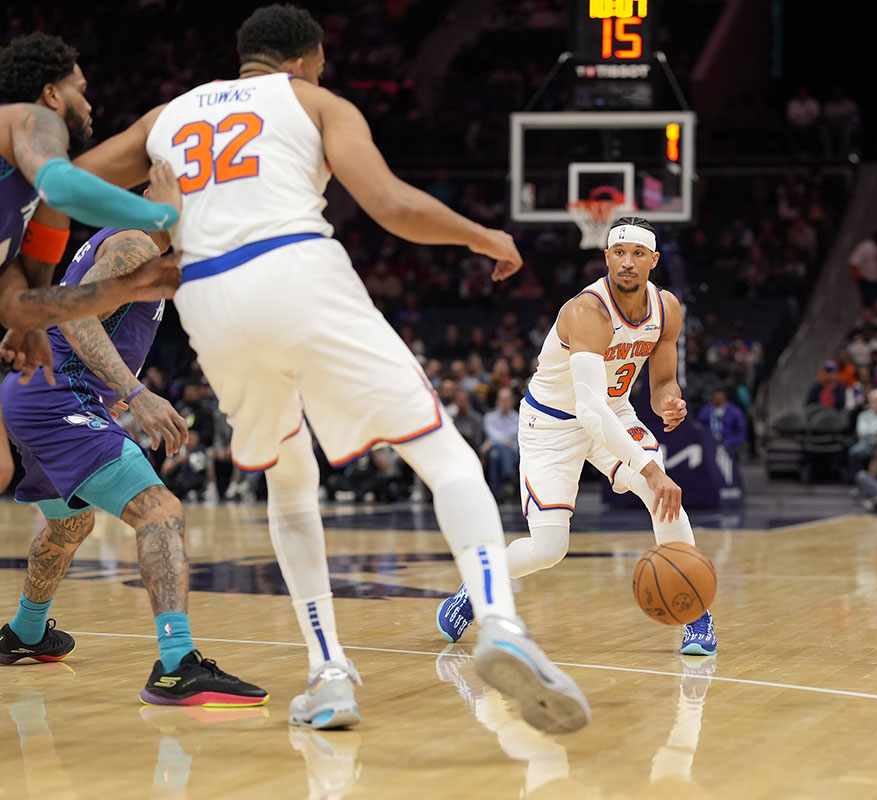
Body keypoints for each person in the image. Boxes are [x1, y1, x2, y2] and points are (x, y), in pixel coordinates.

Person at [75, 4, 588, 733]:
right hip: (295, 267)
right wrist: (483, 237)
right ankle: (500, 622)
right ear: (305, 59)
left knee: (290, 485)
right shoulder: (313, 99)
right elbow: (390, 206)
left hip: (208, 298)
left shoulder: (169, 114)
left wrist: (150, 211)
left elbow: (61, 185)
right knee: (443, 454)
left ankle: (329, 673)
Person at [0, 225, 266, 706]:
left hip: (37, 394)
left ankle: (25, 633)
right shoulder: (136, 245)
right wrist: (135, 392)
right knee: (159, 512)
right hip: (58, 396)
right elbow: (74, 317)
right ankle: (176, 663)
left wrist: (110, 389)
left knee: (69, 525)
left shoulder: (131, 245)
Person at [439, 216, 716, 657]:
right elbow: (588, 410)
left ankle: (695, 614)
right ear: (606, 257)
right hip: (553, 424)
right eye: (619, 253)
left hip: (614, 409)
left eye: (638, 254)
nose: (627, 262)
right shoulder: (587, 311)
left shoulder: (668, 309)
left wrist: (670, 400)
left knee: (662, 493)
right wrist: (648, 466)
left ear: (653, 261)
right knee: (549, 548)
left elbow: (663, 381)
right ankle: (475, 586)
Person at [0, 33, 181, 380]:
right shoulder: (32, 117)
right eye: (80, 90)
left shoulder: (24, 199)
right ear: (52, 94)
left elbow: (20, 305)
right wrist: (164, 214)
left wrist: (31, 321)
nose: (88, 106)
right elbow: (63, 188)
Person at [481, 386, 519, 501]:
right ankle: (508, 476)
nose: (504, 403)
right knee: (494, 455)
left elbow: (513, 434)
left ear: (512, 402)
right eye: (502, 400)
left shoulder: (518, 418)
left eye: (507, 400)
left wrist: (492, 442)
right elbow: (490, 431)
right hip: (497, 450)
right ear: (497, 401)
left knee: (495, 453)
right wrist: (502, 441)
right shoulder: (489, 417)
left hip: (512, 452)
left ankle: (495, 493)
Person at [697, 389, 747, 460]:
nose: (718, 402)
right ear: (711, 400)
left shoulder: (735, 412)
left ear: (725, 399)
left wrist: (728, 442)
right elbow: (699, 426)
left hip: (730, 445)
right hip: (710, 444)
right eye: (716, 400)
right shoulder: (706, 411)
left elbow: (741, 433)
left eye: (720, 400)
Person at [849, 388, 877, 473]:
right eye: (874, 401)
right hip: (867, 443)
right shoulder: (863, 415)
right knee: (854, 452)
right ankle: (856, 479)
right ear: (869, 402)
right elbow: (862, 432)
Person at [848, 230, 877, 306]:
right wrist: (860, 280)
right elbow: (853, 262)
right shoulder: (866, 246)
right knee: (869, 304)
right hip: (868, 281)